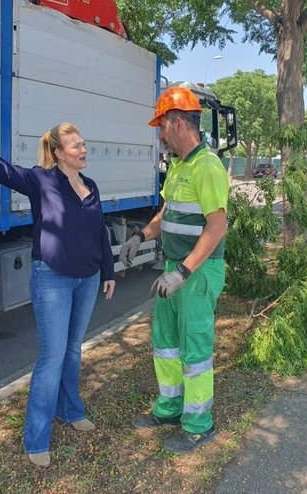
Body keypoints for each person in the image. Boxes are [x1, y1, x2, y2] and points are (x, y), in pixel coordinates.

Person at [0, 123, 115, 467]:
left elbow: (99, 232)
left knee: (73, 350)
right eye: (76, 145)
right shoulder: (42, 179)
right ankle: (36, 440)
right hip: (53, 278)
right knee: (52, 357)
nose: (83, 149)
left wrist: (108, 272)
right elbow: (6, 172)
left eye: (83, 143)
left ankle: (70, 410)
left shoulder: (90, 185)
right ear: (59, 153)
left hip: (88, 277)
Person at [119, 87, 229, 454]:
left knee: (194, 346)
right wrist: (141, 235)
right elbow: (167, 214)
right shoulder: (179, 166)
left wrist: (182, 272)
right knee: (166, 343)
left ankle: (198, 424)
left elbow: (217, 227)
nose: (160, 134)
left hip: (197, 272)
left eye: (162, 126)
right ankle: (169, 408)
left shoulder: (207, 164)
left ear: (178, 122)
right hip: (175, 268)